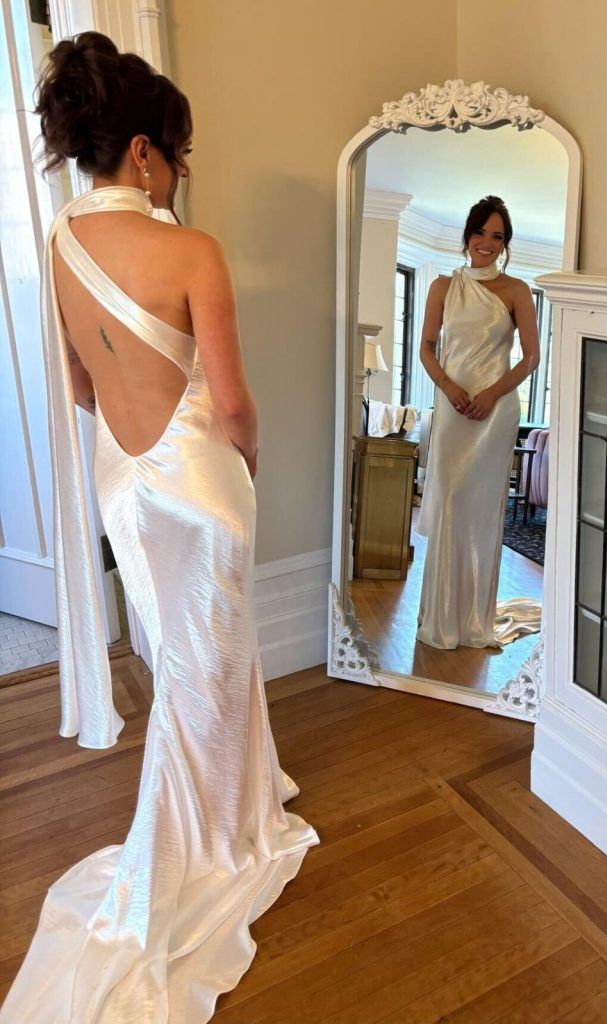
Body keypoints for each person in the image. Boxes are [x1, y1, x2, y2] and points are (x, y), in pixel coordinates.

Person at [0, 32, 319, 1023]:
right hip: (199, 482)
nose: (183, 173)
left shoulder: (57, 248)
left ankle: (233, 805)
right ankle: (208, 843)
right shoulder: (190, 249)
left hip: (122, 487)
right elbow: (233, 403)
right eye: (179, 155)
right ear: (142, 152)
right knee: (209, 665)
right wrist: (244, 458)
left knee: (186, 662)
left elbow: (83, 387)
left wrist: (142, 442)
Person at [415, 195, 540, 649]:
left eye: (497, 236)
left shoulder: (516, 290)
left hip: (496, 410)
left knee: (482, 510)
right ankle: (440, 613)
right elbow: (427, 348)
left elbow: (530, 358)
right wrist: (450, 389)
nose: (487, 243)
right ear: (467, 235)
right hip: (452, 408)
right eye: (481, 232)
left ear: (504, 244)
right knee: (449, 500)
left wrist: (490, 394)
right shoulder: (443, 288)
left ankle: (473, 617)